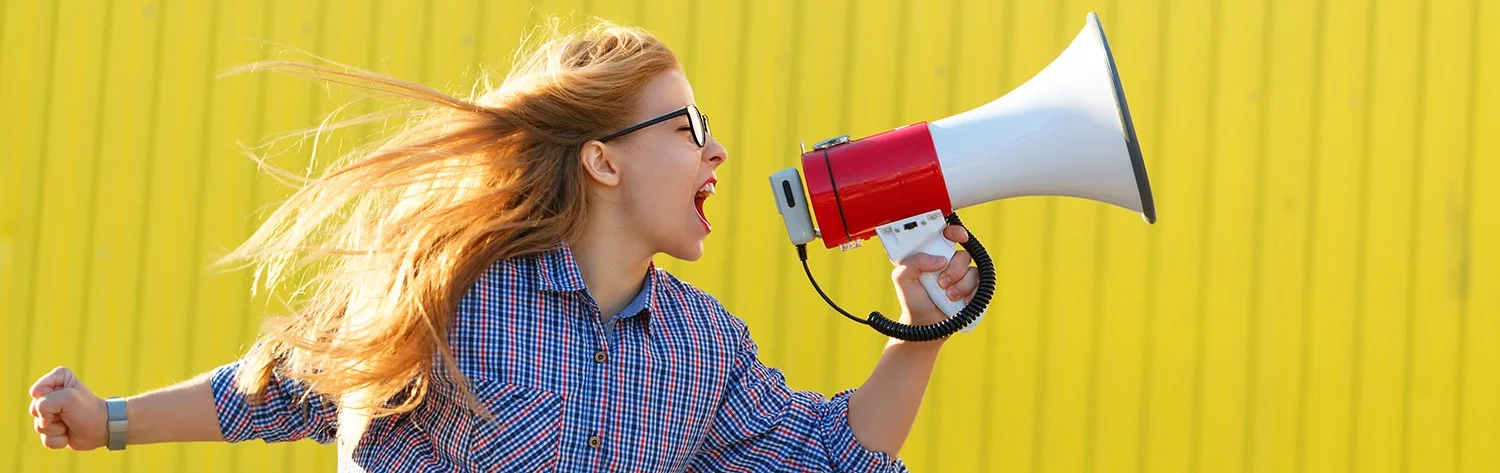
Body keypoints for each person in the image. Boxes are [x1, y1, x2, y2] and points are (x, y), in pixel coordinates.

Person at [25, 20, 981, 472]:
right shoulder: (450, 298)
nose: (720, 148)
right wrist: (106, 418)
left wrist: (921, 326)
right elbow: (268, 392)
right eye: (689, 127)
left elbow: (832, 454)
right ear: (603, 163)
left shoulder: (707, 350)